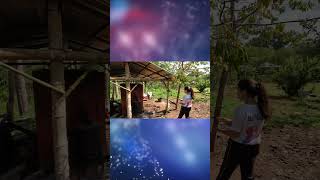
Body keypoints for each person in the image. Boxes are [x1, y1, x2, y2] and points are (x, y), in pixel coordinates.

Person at [216, 79, 271, 180]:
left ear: (244, 92)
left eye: (238, 90)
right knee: (247, 175)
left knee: (225, 171)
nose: (236, 92)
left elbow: (235, 133)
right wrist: (226, 121)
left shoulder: (241, 109)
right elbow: (247, 124)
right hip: (254, 147)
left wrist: (218, 130)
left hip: (237, 148)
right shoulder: (261, 108)